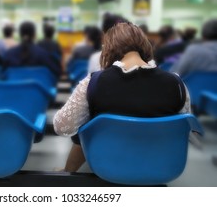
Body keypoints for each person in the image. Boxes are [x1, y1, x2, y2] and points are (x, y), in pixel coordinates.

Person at [54, 22, 191, 172]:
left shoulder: (93, 82)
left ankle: (68, 172)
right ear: (145, 46)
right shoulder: (177, 83)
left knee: (88, 121)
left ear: (108, 49)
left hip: (107, 165)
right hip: (161, 167)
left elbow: (61, 126)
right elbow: (185, 128)